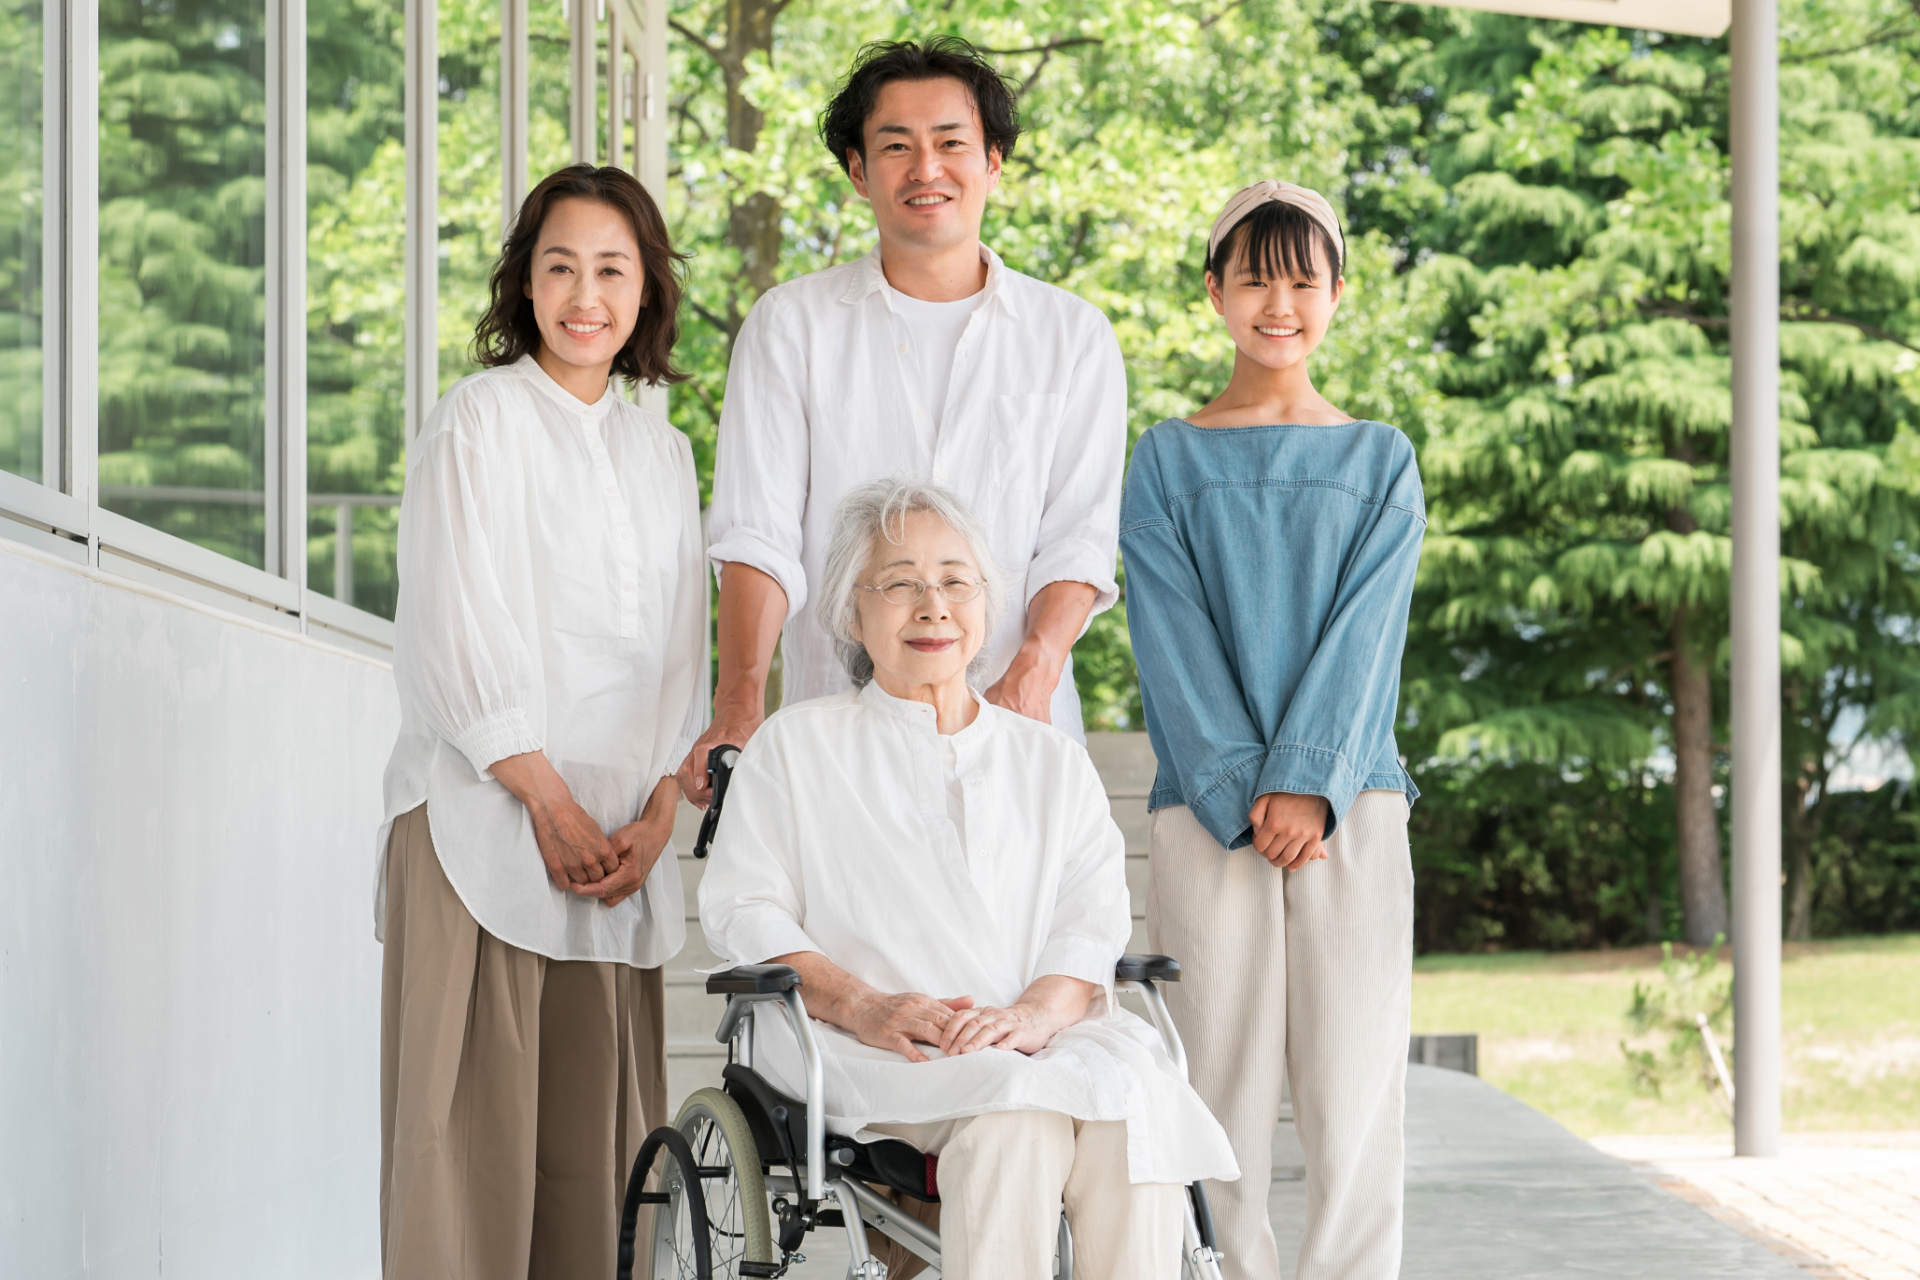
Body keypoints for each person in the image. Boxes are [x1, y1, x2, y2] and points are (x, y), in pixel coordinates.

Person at [699, 478, 1237, 1280]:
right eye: (900, 584)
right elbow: (747, 908)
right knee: (1019, 1124)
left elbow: (1090, 923)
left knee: (1133, 1119)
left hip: (1042, 1038)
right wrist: (867, 1006)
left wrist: (1030, 1016)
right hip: (869, 1047)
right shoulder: (795, 747)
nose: (933, 607)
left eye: (956, 581)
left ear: (986, 604)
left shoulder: (1051, 760)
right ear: (851, 612)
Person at [374, 164, 707, 1279]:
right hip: (485, 822)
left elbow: (680, 649)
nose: (585, 295)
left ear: (647, 288)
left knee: (598, 1165)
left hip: (614, 851)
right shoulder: (478, 420)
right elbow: (453, 625)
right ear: (524, 282)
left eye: (612, 269)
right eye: (559, 266)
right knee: (466, 1159)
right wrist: (548, 801)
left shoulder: (662, 451)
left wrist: (657, 814)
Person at [682, 36, 1127, 803]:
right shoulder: (791, 326)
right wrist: (739, 702)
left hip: (1019, 738)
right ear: (859, 171)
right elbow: (758, 535)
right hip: (835, 743)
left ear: (993, 161)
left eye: (951, 143)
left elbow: (1078, 541)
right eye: (896, 146)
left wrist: (1033, 675)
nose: (926, 169)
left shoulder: (1073, 336)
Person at [1119, 182, 1426, 1280]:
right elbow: (1170, 637)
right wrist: (1247, 786)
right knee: (1214, 1084)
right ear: (1215, 291)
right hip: (1211, 817)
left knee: (1356, 1088)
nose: (1279, 303)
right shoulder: (1165, 458)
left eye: (1304, 279)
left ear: (1340, 292)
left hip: (1353, 809)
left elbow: (1367, 639)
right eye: (1255, 278)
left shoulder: (1382, 458)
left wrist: (1308, 781)